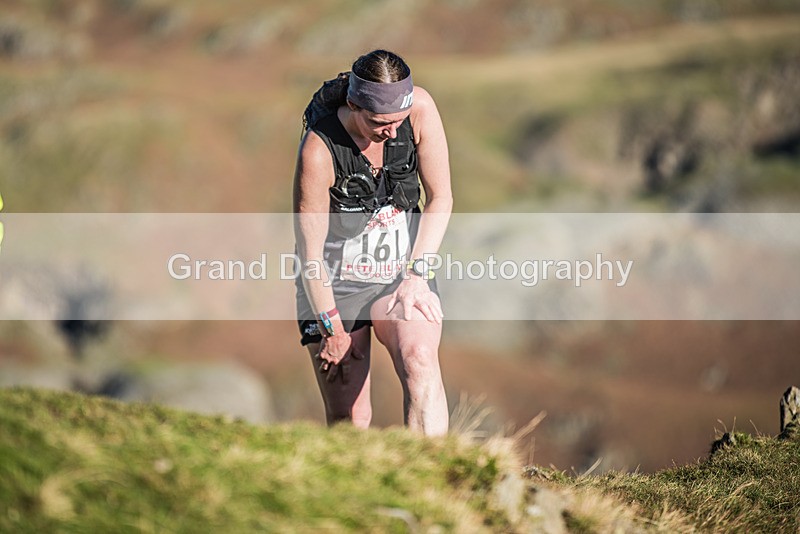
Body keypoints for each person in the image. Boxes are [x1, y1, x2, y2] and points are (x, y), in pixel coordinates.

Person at [292, 50, 453, 436]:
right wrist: (332, 330)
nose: (393, 131)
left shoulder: (420, 109)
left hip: (402, 276)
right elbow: (309, 256)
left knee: (419, 358)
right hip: (334, 286)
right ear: (353, 105)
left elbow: (441, 198)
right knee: (351, 419)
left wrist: (417, 275)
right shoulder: (318, 150)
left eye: (399, 121)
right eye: (380, 123)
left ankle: (433, 478)